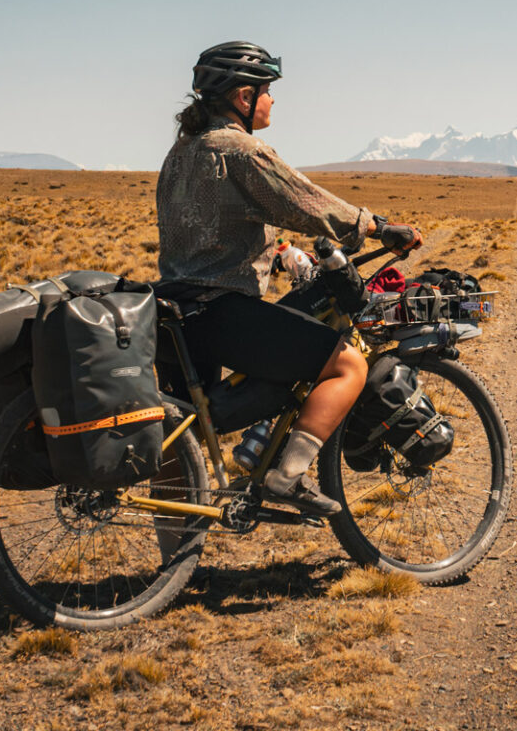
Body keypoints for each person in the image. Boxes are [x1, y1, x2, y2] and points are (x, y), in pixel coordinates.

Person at [155, 41, 420, 515]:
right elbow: (305, 201)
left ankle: (169, 572)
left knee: (183, 438)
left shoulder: (180, 154)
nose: (272, 100)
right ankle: (288, 477)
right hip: (220, 313)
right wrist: (379, 227)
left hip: (170, 312)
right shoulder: (239, 150)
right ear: (243, 97)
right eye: (267, 91)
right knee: (347, 366)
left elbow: (209, 231)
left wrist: (278, 254)